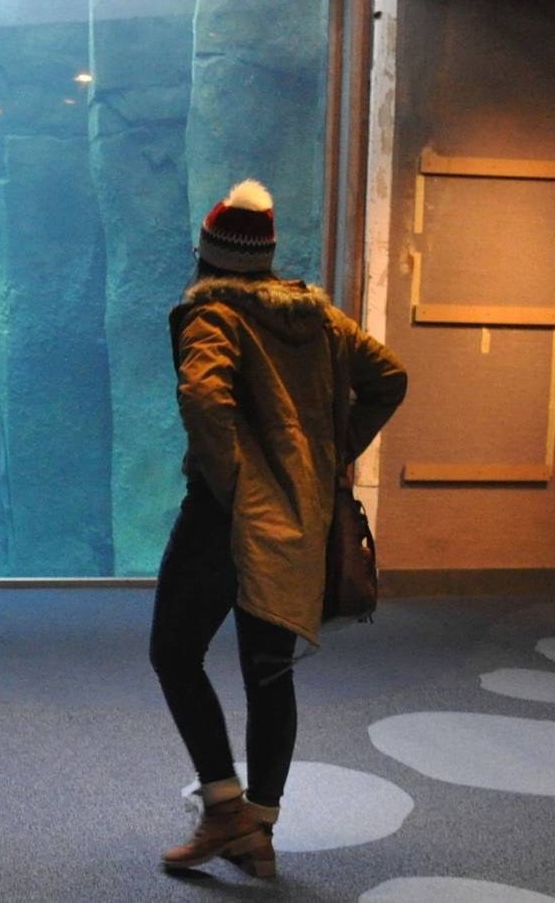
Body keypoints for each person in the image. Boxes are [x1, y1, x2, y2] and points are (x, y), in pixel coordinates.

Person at [150, 178, 406, 879]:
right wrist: (327, 456)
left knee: (174, 652)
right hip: (298, 518)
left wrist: (233, 482)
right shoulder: (318, 319)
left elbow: (204, 397)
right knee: (267, 671)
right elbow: (390, 375)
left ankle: (226, 806)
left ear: (210, 256)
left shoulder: (213, 315)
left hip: (226, 520)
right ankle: (257, 830)